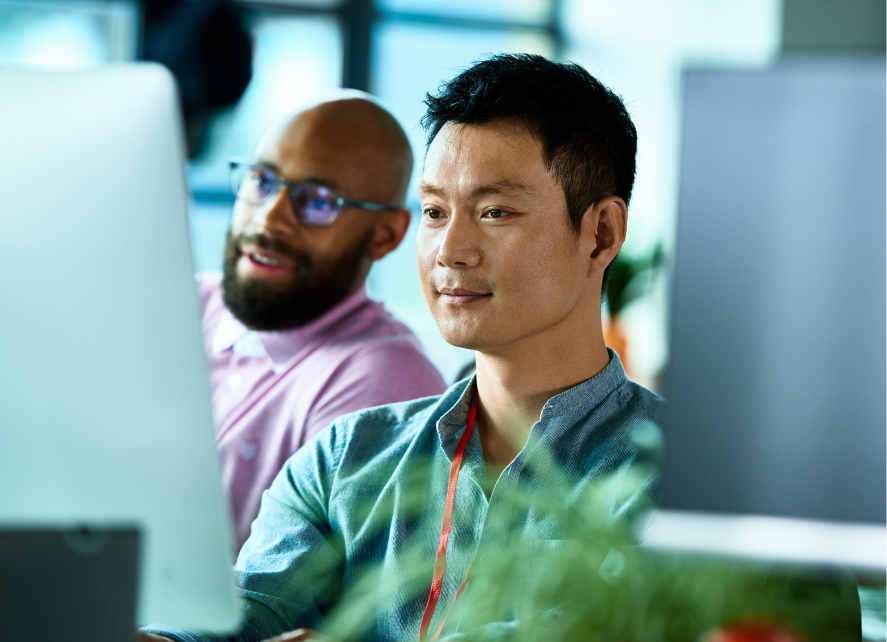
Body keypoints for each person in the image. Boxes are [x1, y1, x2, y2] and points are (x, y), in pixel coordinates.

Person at [142, 54, 663, 642]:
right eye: (436, 211)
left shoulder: (677, 478)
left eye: (495, 212)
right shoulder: (344, 456)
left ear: (601, 235)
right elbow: (239, 613)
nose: (451, 249)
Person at [200, 94, 447, 549]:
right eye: (262, 180)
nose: (270, 217)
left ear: (386, 234)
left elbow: (288, 601)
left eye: (317, 201)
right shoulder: (187, 302)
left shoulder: (382, 381)